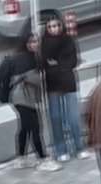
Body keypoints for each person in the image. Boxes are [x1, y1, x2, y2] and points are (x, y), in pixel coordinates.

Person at [40, 17, 91, 162]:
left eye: (57, 25)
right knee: (56, 118)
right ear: (47, 29)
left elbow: (73, 61)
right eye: (51, 27)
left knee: (73, 118)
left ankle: (79, 147)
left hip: (69, 84)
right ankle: (60, 149)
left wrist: (57, 64)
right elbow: (44, 64)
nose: (55, 29)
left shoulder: (68, 40)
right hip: (52, 85)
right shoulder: (44, 43)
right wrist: (62, 66)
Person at [10, 35, 62, 171]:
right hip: (25, 98)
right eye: (32, 41)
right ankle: (43, 159)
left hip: (19, 98)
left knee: (25, 128)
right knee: (35, 128)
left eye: (37, 41)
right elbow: (34, 79)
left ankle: (20, 159)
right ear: (26, 44)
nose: (35, 44)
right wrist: (46, 74)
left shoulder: (22, 56)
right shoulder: (27, 59)